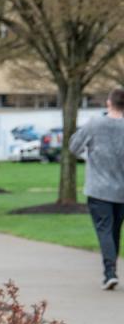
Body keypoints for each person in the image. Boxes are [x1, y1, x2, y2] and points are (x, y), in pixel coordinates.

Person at [69, 88, 124, 290]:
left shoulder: (95, 124)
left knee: (104, 230)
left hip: (99, 189)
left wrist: (88, 154)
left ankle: (110, 272)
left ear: (109, 103)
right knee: (115, 231)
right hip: (121, 190)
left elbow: (74, 146)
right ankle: (110, 271)